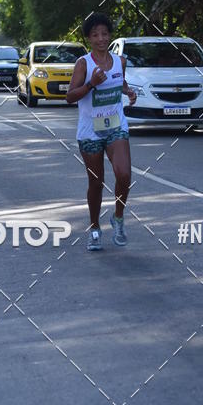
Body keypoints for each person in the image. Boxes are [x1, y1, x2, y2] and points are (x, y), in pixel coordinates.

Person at [67, 13, 137, 251]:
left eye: (104, 34)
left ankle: (118, 218)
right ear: (88, 38)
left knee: (124, 175)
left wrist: (129, 92)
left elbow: (120, 83)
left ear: (110, 36)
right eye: (95, 35)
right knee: (96, 183)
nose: (101, 39)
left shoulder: (120, 61)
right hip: (90, 132)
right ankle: (95, 228)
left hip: (116, 127)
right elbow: (70, 96)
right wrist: (90, 85)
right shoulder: (83, 64)